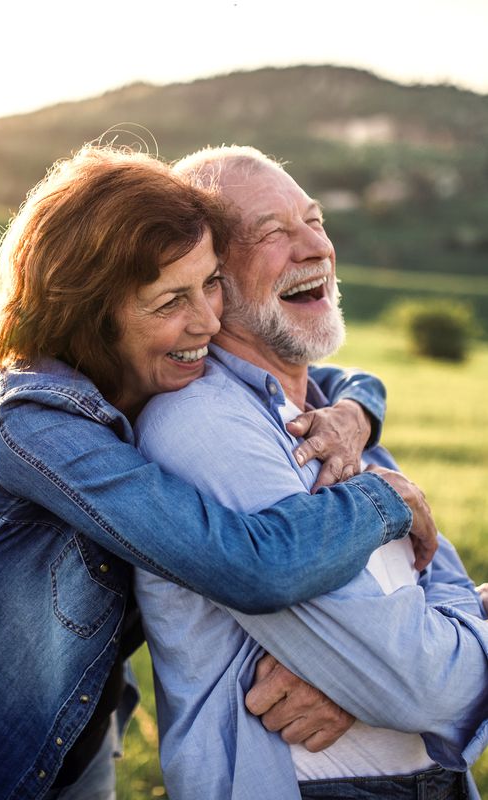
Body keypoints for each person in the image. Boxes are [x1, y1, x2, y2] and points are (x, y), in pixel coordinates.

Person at [0, 144, 430, 800]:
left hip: (79, 741)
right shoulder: (34, 424)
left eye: (208, 281)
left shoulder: (141, 371)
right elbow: (247, 566)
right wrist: (384, 499)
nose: (207, 320)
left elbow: (323, 376)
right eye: (169, 300)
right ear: (92, 314)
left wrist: (354, 412)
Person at [134, 145, 488, 799]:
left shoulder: (331, 419)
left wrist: (371, 682)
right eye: (272, 233)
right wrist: (389, 679)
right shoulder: (203, 426)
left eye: (314, 220)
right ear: (210, 278)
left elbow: (424, 622)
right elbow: (420, 687)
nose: (313, 248)